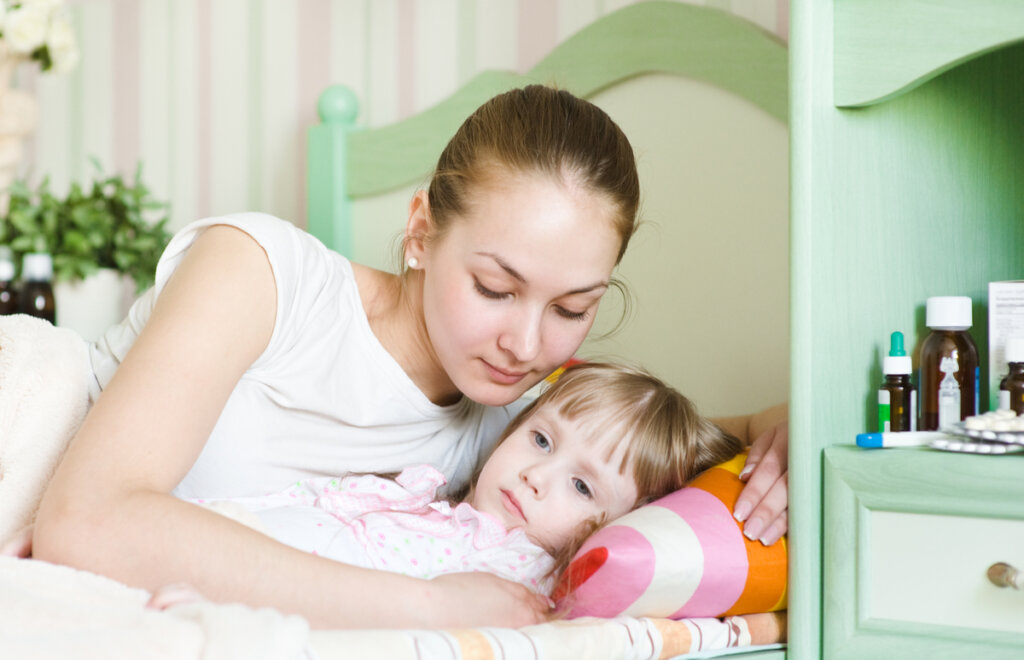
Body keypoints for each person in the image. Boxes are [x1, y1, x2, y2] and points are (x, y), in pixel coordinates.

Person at [25, 84, 788, 629]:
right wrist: (427, 607)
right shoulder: (261, 276)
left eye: (571, 309)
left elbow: (715, 435)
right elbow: (87, 522)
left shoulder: (527, 432)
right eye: (495, 287)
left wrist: (792, 426)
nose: (525, 346)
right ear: (421, 231)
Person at [150, 362, 744, 610]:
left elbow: (374, 617)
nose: (537, 477)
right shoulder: (429, 494)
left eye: (582, 488)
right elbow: (301, 506)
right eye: (540, 440)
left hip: (267, 599)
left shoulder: (516, 577)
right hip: (209, 543)